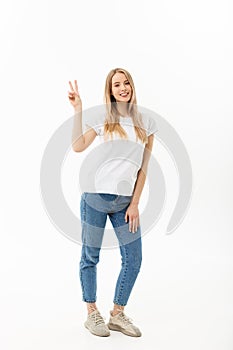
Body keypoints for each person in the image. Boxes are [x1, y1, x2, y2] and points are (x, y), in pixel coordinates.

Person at [68, 68, 157, 337]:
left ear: (132, 86)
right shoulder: (103, 119)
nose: (122, 87)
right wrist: (78, 109)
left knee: (134, 258)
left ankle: (117, 314)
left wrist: (135, 203)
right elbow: (77, 146)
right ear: (110, 90)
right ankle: (92, 313)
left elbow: (144, 168)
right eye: (116, 84)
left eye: (126, 82)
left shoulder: (147, 123)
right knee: (90, 257)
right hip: (95, 196)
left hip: (125, 202)